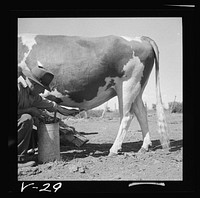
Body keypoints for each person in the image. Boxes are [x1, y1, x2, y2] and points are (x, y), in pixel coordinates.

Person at [18, 65, 79, 167]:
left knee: (35, 121)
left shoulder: (33, 95)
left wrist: (66, 111)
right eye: (42, 89)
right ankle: (19, 160)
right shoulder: (18, 89)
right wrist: (31, 110)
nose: (43, 92)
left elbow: (50, 105)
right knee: (26, 118)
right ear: (33, 84)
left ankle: (27, 150)